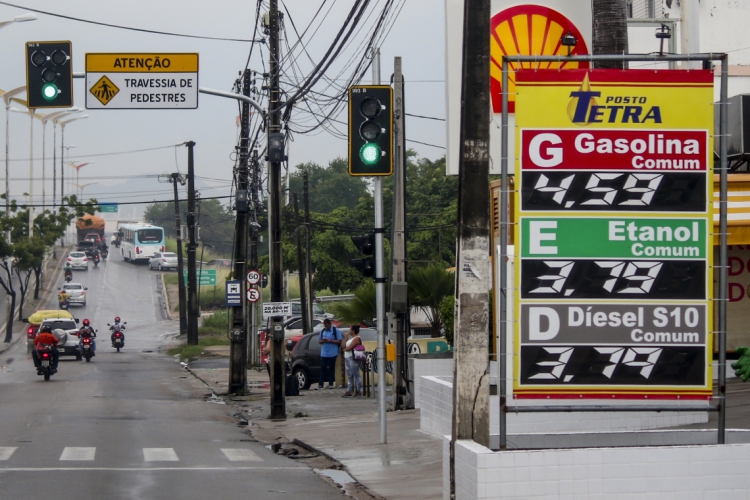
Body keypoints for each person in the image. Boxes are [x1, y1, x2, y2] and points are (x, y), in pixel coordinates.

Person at [316, 318, 342, 390]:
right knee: (322, 368)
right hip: (324, 353)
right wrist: (323, 341)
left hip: (333, 352)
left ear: (330, 324)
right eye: (325, 326)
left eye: (327, 326)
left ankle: (331, 384)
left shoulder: (335, 331)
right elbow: (319, 341)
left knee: (331, 368)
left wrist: (330, 340)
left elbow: (339, 341)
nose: (326, 328)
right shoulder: (323, 331)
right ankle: (320, 384)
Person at [341, 325, 363, 397]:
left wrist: (346, 349)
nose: (349, 331)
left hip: (352, 357)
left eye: (350, 330)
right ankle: (349, 390)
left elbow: (349, 348)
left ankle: (358, 390)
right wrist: (345, 337)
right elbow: (343, 346)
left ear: (353, 331)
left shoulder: (357, 338)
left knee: (356, 374)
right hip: (347, 357)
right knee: (350, 375)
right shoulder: (350, 338)